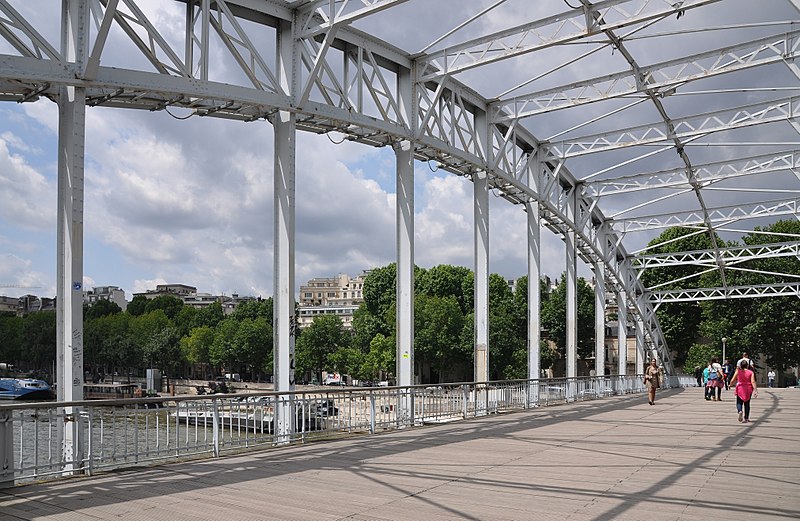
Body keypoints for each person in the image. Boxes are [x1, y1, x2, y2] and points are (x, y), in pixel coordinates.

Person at [729, 358, 758, 423]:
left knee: (739, 402)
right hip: (748, 388)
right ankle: (746, 418)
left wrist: (730, 384)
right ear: (747, 366)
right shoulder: (751, 372)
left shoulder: (738, 372)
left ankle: (740, 411)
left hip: (740, 388)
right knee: (747, 403)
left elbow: (733, 379)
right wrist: (755, 390)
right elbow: (753, 381)